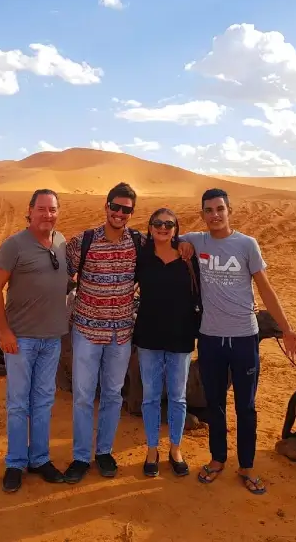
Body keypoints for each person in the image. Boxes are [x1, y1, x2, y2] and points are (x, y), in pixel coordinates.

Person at [63, 182, 195, 483]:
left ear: (132, 213)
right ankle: (81, 457)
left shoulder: (137, 243)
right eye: (116, 206)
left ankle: (105, 452)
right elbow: (57, 270)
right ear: (106, 206)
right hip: (86, 331)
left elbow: (168, 243)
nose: (120, 213)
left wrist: (184, 241)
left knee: (112, 394)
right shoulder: (82, 242)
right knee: (83, 396)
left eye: (126, 209)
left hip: (121, 334)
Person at [179, 188, 296, 495]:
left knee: (246, 407)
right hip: (209, 339)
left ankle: (246, 465)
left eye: (220, 209)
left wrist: (286, 329)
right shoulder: (197, 240)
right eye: (208, 210)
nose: (215, 215)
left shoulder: (247, 245)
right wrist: (183, 246)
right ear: (202, 214)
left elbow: (265, 289)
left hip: (244, 338)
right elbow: (172, 239)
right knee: (216, 404)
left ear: (229, 210)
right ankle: (218, 459)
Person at [0, 188, 71, 493]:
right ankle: (14, 462)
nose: (47, 215)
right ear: (30, 211)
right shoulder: (14, 246)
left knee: (44, 401)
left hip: (52, 339)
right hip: (20, 339)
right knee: (18, 403)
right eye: (42, 209)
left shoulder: (61, 242)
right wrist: (4, 331)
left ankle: (39, 459)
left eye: (52, 210)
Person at [133, 208, 201, 478]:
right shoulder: (142, 257)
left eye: (169, 224)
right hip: (149, 334)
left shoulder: (187, 257)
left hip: (180, 335)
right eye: (158, 223)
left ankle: (175, 448)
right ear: (150, 227)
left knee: (177, 396)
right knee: (150, 397)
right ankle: (152, 449)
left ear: (176, 228)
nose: (163, 227)